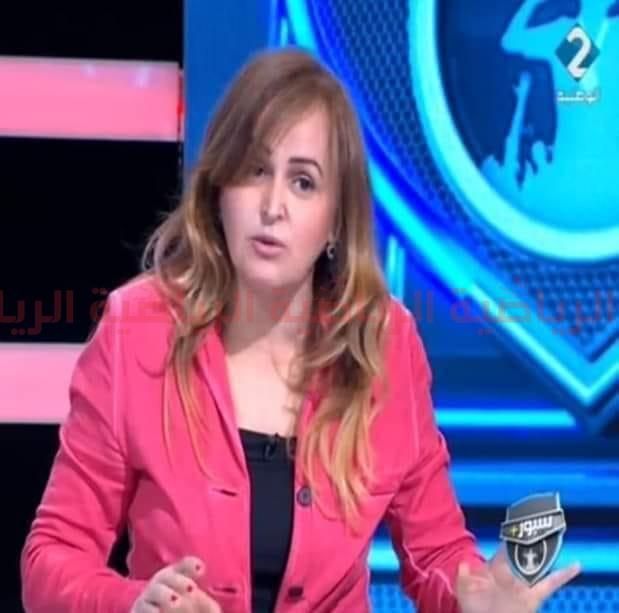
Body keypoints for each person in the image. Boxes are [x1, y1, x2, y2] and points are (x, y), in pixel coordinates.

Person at [20, 47, 581, 613]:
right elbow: (52, 558)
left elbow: (436, 553)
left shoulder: (384, 344)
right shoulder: (137, 333)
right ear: (219, 191)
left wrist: (474, 600)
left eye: (304, 183)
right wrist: (132, 603)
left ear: (336, 221)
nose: (273, 206)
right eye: (254, 171)